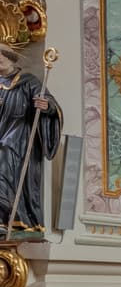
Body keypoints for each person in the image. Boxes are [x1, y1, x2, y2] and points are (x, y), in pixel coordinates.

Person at [0, 32, 62, 238]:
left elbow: (50, 104)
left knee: (4, 161)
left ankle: (11, 218)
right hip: (2, 130)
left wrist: (47, 107)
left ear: (9, 59)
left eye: (1, 56)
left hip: (19, 136)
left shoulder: (28, 81)